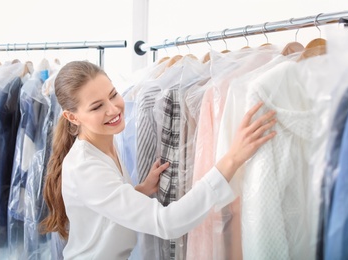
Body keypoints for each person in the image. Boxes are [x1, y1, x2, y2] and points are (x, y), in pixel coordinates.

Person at [40, 60, 277, 259]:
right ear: (72, 117)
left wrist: (139, 191)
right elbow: (167, 222)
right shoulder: (85, 166)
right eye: (97, 106)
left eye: (113, 95)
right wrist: (231, 159)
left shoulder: (102, 142)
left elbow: (105, 210)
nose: (113, 109)